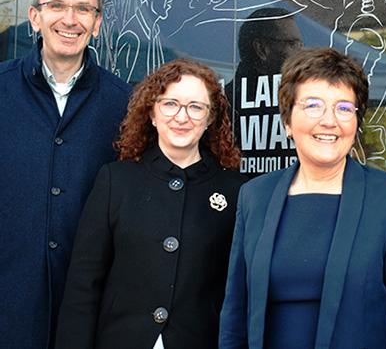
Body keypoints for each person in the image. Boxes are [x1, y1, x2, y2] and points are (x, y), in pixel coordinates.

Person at [219, 47, 386, 348]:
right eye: (313, 105)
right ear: (288, 122)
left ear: (356, 123)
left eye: (344, 108)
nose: (329, 120)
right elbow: (235, 313)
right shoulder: (255, 195)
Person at [54, 58, 247, 349]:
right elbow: (84, 284)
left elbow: (237, 292)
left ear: (210, 118)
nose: (182, 117)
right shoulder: (115, 181)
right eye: (170, 104)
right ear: (152, 113)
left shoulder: (236, 191)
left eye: (196, 107)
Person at [0, 0, 133, 349]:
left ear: (97, 23)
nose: (69, 19)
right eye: (56, 6)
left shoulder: (124, 104)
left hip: (88, 319)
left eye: (83, 9)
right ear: (35, 17)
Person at [224, 7, 304, 178]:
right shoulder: (226, 104)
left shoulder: (302, 98)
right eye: (292, 44)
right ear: (261, 48)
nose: (300, 53)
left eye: (299, 44)